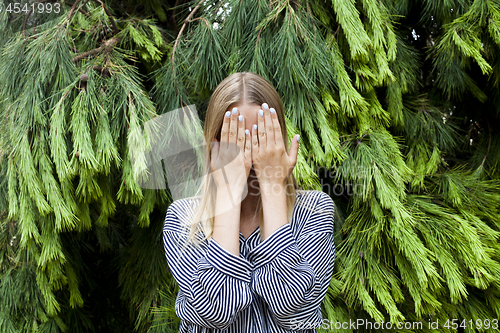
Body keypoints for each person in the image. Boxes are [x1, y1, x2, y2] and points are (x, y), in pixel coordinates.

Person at [163, 72, 335, 332]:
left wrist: (273, 188)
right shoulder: (185, 219)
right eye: (236, 139)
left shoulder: (314, 211)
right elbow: (216, 310)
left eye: (260, 137)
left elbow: (293, 310)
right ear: (214, 145)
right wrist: (229, 195)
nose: (251, 154)